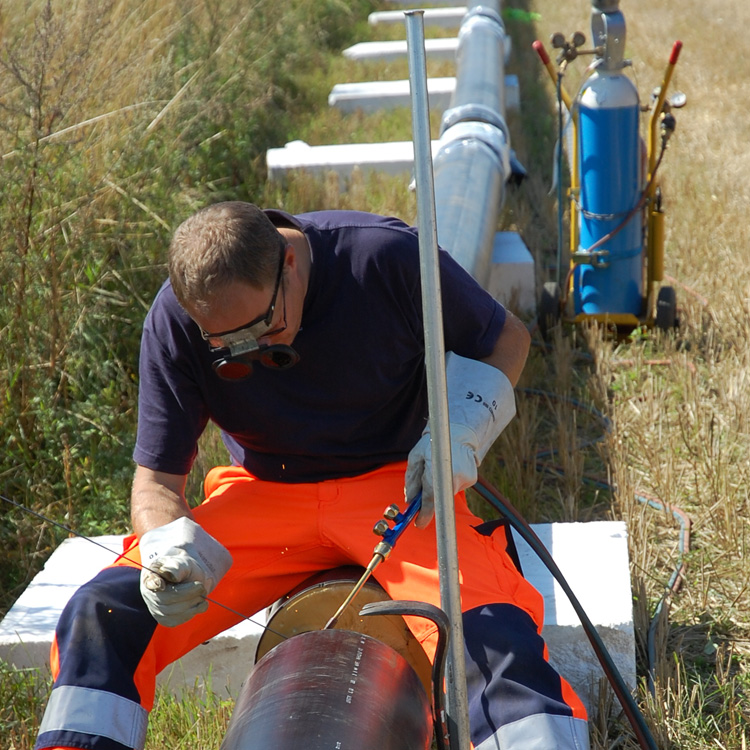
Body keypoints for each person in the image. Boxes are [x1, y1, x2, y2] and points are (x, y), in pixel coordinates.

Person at [35, 201, 589, 750]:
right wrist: (164, 547)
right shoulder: (177, 319)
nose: (253, 350)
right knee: (103, 612)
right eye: (229, 348)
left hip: (396, 490)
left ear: (290, 265)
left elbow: (506, 339)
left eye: (264, 328)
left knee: (490, 634)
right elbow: (155, 482)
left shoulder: (383, 258)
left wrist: (462, 428)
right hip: (265, 497)